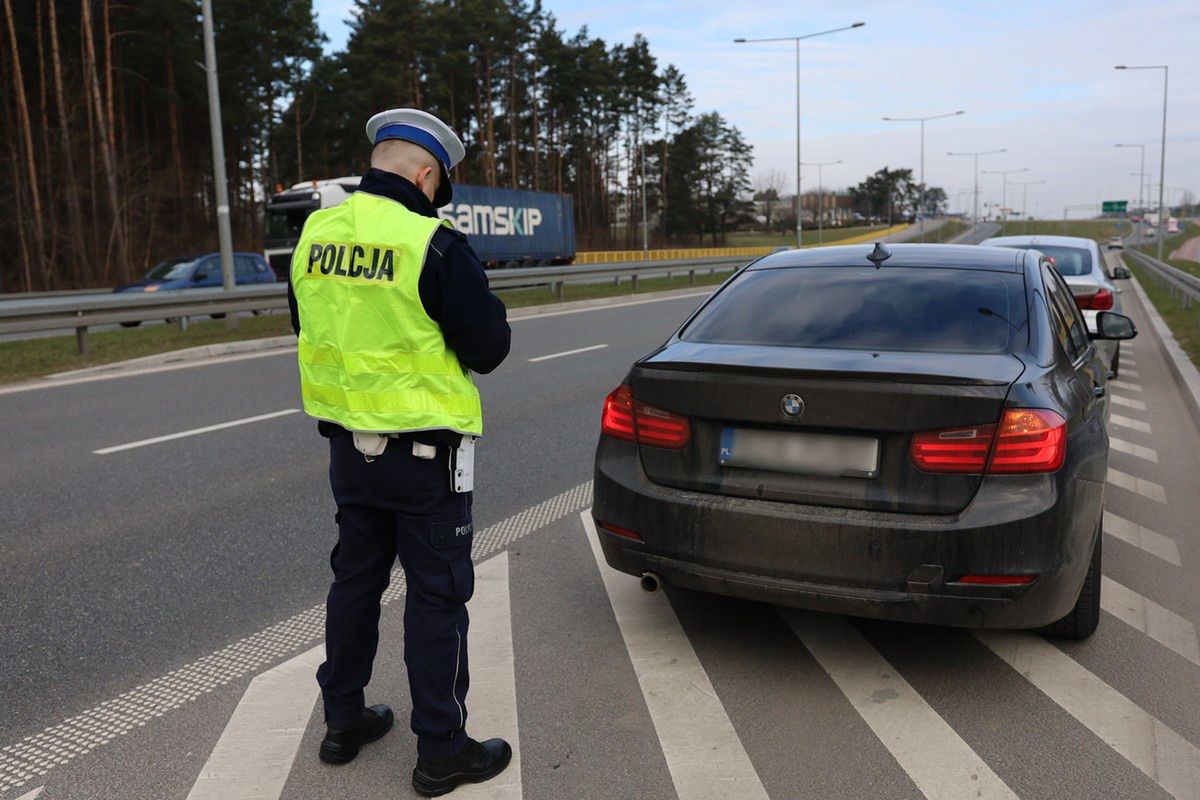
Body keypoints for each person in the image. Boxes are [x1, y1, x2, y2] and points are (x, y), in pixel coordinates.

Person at [288, 107, 512, 797]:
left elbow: (308, 321)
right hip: (425, 461)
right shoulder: (432, 243)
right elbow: (489, 348)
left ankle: (345, 719)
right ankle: (441, 749)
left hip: (347, 455)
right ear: (424, 174)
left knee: (354, 583)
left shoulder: (315, 233)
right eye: (439, 183)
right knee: (437, 598)